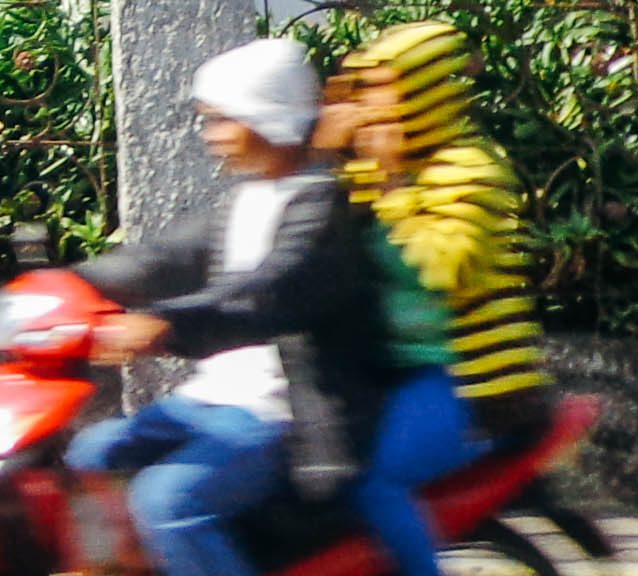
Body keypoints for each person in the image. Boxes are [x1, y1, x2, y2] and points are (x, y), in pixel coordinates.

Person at [69, 36, 421, 576]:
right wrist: (64, 282)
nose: (212, 136)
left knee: (169, 503)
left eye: (223, 120)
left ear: (267, 118)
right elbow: (163, 257)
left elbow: (268, 292)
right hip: (213, 401)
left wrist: (166, 323)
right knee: (90, 455)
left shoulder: (322, 206)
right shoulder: (248, 196)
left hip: (283, 417)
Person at [323, 18, 554, 576]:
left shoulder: (470, 168)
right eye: (369, 90)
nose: (373, 106)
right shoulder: (375, 170)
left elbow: (445, 268)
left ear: (423, 93)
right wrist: (324, 155)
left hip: (473, 384)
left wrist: (392, 186)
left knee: (372, 481)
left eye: (386, 91)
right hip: (394, 373)